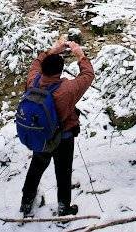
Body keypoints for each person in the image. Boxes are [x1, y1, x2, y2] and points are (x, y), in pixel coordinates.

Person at [20, 37, 94, 218]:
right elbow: (88, 75)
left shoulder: (33, 80)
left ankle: (26, 204)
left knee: (35, 169)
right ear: (60, 71)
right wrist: (80, 55)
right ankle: (64, 208)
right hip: (63, 138)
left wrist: (53, 50)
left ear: (44, 68)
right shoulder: (67, 89)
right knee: (63, 172)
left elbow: (36, 62)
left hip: (41, 136)